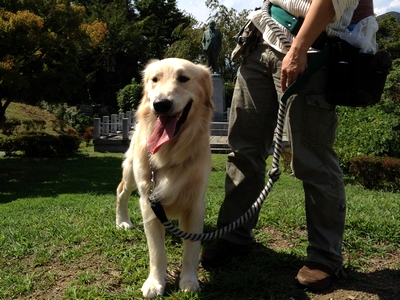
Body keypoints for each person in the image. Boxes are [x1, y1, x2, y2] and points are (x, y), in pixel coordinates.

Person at [200, 0, 371, 292]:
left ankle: (325, 257)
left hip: (312, 47)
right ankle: (234, 235)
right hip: (261, 42)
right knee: (244, 149)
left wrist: (298, 49)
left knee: (312, 159)